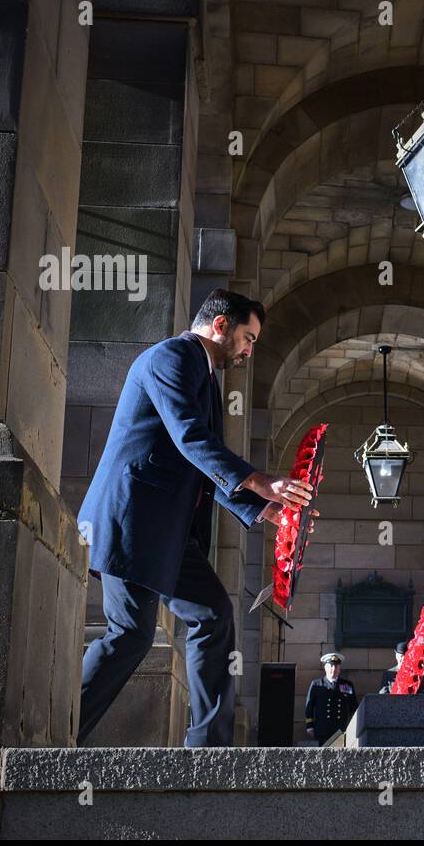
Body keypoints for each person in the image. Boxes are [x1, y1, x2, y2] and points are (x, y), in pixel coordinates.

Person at [77, 290, 317, 747]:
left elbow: (198, 465)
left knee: (212, 614)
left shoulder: (206, 378)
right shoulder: (173, 356)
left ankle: (208, 749)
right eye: (247, 338)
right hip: (132, 523)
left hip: (166, 534)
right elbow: (189, 438)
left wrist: (261, 506)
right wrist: (259, 480)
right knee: (129, 636)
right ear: (221, 325)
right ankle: (59, 736)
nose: (249, 350)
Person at [305, 652, 358, 743]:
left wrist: (353, 727)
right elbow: (309, 707)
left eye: (336, 666)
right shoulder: (317, 684)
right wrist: (309, 726)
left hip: (341, 729)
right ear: (325, 667)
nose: (334, 669)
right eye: (331, 666)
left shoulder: (347, 685)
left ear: (339, 668)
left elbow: (354, 707)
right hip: (322, 730)